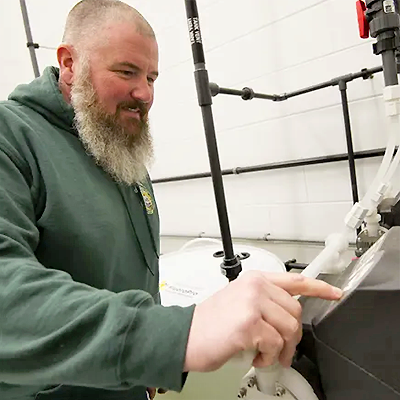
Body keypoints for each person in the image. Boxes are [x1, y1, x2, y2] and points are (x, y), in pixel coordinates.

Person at [0, 1, 343, 399]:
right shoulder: (13, 138)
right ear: (70, 62)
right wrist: (175, 336)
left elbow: (135, 275)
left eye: (151, 77)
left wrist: (152, 362)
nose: (144, 92)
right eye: (126, 71)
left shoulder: (115, 145)